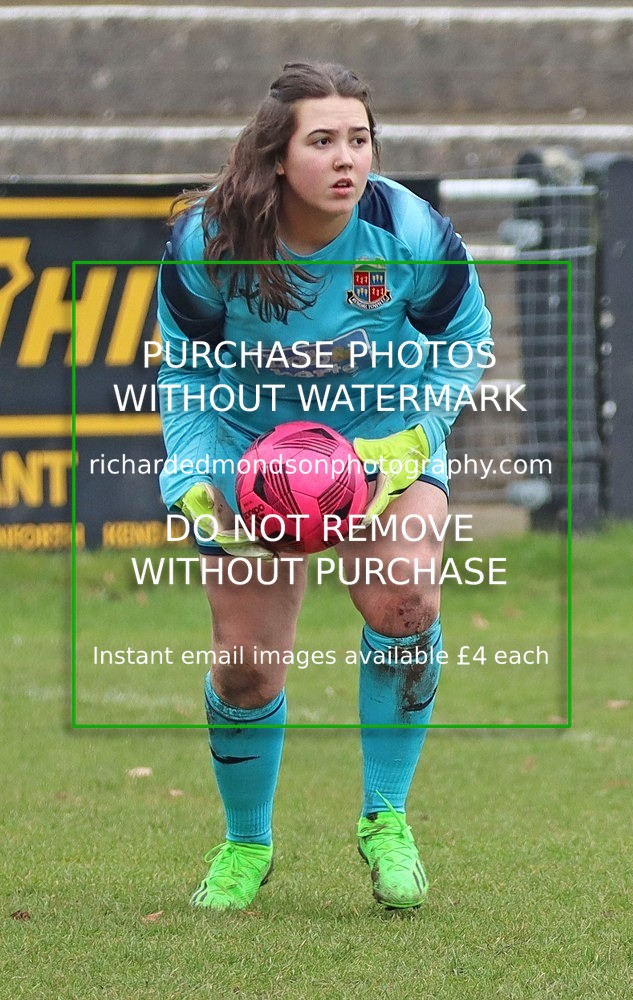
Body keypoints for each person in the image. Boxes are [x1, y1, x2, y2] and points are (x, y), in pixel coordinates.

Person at [157, 61, 492, 911]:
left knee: (407, 599)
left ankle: (386, 819)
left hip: (382, 442)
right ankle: (245, 845)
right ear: (277, 156)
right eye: (324, 141)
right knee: (245, 672)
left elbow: (465, 338)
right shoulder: (211, 239)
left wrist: (417, 438)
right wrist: (194, 476)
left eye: (361, 138)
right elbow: (189, 370)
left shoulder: (407, 228)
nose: (349, 159)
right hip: (253, 455)